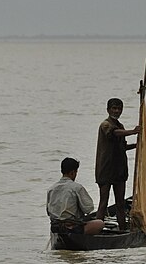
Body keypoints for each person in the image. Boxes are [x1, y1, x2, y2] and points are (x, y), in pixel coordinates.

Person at [95, 98, 140, 231]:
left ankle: (122, 230)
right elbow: (114, 133)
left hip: (119, 171)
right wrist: (133, 131)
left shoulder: (120, 126)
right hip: (105, 170)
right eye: (114, 108)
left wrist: (137, 145)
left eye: (119, 108)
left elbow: (123, 146)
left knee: (120, 203)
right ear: (108, 110)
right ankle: (97, 229)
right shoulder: (105, 125)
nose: (117, 111)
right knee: (104, 202)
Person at [46, 157, 104, 235]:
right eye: (76, 172)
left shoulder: (51, 189)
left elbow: (48, 212)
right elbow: (88, 208)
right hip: (72, 228)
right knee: (100, 223)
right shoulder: (76, 187)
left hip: (55, 227)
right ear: (72, 173)